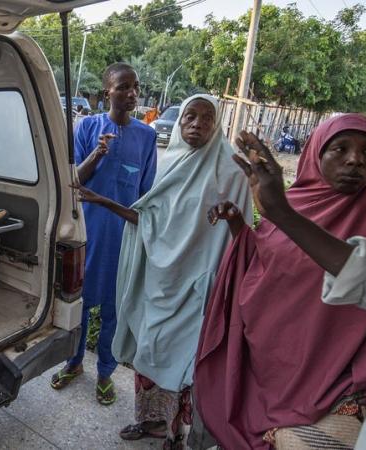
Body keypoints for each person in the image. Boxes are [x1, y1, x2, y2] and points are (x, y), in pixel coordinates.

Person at [76, 94, 251, 446]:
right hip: (158, 281)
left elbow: (242, 235)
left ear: (216, 125)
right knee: (150, 351)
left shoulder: (231, 170)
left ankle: (177, 433)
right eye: (189, 116)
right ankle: (151, 421)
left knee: (187, 362)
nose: (196, 124)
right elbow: (147, 218)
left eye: (206, 118)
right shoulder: (167, 163)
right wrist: (103, 201)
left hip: (199, 288)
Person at [195, 114, 366, 449]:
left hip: (331, 377)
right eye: (341, 148)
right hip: (269, 364)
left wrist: (281, 213)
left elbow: (359, 274)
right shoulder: (294, 202)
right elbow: (267, 262)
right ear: (316, 154)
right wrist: (240, 231)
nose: (355, 160)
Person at [49, 62, 157, 406]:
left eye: (135, 87)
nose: (132, 94)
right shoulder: (87, 127)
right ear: (107, 91)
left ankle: (106, 373)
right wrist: (98, 152)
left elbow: (145, 194)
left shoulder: (147, 135)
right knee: (79, 305)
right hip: (88, 233)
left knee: (113, 310)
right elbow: (75, 181)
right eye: (124, 87)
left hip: (123, 239)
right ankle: (75, 362)